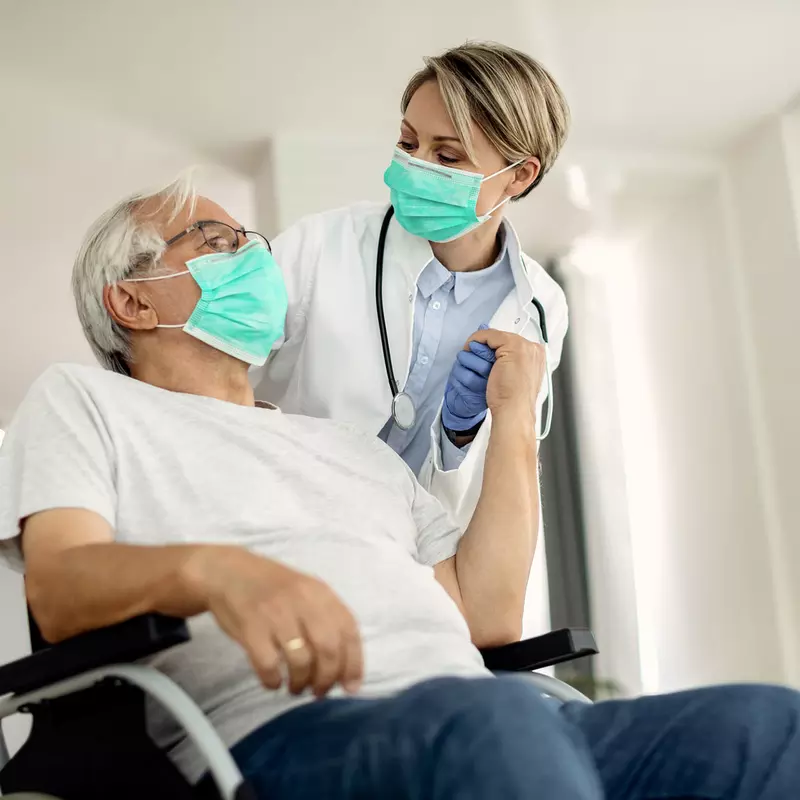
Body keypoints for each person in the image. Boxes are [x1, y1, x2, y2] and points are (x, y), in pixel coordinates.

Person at [1, 180, 798, 800]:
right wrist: (215, 571)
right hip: (293, 733)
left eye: (250, 239)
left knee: (766, 728)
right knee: (497, 718)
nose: (251, 256)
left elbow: (484, 613)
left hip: (497, 721)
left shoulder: (349, 447)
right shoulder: (85, 401)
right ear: (132, 300)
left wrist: (514, 417)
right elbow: (63, 586)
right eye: (213, 240)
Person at [256, 41, 570, 536]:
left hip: (415, 558)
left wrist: (459, 431)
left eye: (446, 154)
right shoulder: (322, 244)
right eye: (407, 143)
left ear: (519, 176)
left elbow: (490, 480)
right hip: (286, 526)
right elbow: (211, 372)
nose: (416, 164)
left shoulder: (542, 307)